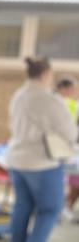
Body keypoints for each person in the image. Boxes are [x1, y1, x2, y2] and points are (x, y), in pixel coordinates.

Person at [6, 58, 78, 241]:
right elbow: (70, 133)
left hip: (16, 160)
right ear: (46, 74)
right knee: (51, 209)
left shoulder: (18, 95)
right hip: (42, 163)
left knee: (22, 207)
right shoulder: (50, 99)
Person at [56, 77, 79, 222]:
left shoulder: (72, 104)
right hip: (65, 148)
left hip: (71, 148)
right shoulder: (67, 103)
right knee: (65, 180)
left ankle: (65, 207)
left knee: (74, 181)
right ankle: (60, 208)